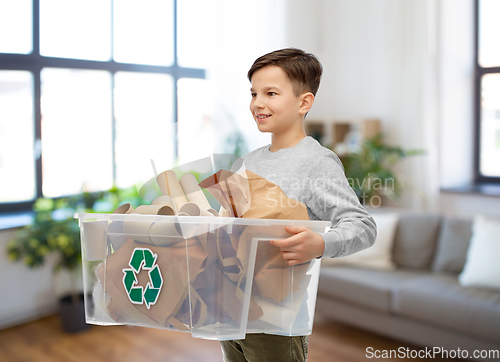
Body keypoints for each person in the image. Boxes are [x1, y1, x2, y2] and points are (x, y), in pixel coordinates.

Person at [219, 48, 377, 362]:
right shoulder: (246, 162)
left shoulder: (317, 162)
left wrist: (320, 243)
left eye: (271, 93)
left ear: (304, 102)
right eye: (253, 93)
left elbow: (362, 225)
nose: (257, 103)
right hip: (229, 308)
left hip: (276, 320)